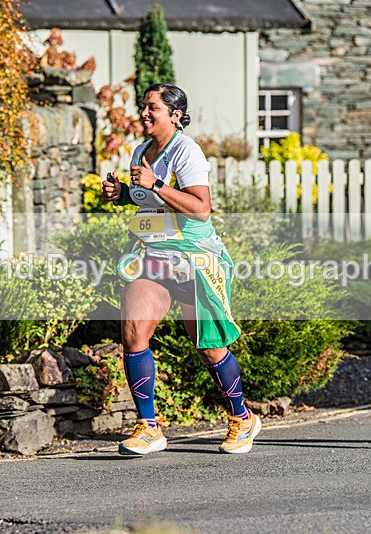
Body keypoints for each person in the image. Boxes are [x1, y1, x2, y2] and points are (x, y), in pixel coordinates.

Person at [101, 82, 261, 455]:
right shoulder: (141, 151)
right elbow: (149, 202)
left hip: (194, 260)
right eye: (143, 106)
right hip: (153, 256)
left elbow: (200, 208)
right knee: (133, 333)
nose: (144, 113)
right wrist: (122, 194)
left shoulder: (186, 151)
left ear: (175, 116)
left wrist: (156, 183)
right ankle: (149, 427)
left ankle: (241, 418)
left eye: (152, 108)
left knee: (209, 348)